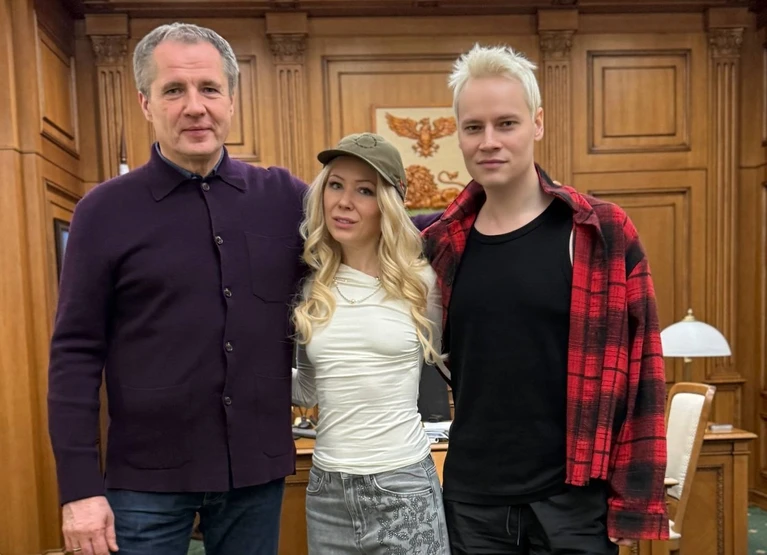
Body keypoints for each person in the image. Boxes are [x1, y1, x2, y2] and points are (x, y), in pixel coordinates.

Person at [47, 22, 307, 555]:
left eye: (209, 88)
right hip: (145, 483)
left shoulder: (286, 198)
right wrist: (79, 490)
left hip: (254, 475)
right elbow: (74, 353)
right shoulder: (102, 211)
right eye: (173, 90)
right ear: (146, 104)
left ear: (231, 100)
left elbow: (379, 236)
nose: (195, 107)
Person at [420, 44, 669, 554]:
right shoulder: (440, 245)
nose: (489, 141)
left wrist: (635, 499)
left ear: (536, 123)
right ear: (458, 135)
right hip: (472, 503)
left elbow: (644, 371)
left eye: (506, 123)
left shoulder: (600, 231)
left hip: (574, 501)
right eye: (473, 127)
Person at [291, 132, 451, 554]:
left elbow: (454, 365)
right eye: (335, 185)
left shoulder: (421, 285)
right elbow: (307, 389)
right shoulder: (311, 289)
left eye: (364, 190)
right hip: (327, 493)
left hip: (404, 486)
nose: (344, 202)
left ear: (388, 204)